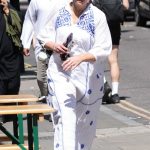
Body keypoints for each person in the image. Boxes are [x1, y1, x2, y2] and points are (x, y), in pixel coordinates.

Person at [38, 0, 112, 149]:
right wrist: (54, 45)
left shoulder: (98, 16)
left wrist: (81, 58)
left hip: (89, 80)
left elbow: (104, 47)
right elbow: (43, 36)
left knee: (85, 128)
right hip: (60, 74)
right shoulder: (59, 12)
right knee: (66, 119)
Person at [21, 0, 69, 102]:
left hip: (61, 46)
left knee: (59, 79)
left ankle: (55, 104)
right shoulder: (36, 1)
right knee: (41, 78)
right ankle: (47, 96)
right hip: (42, 45)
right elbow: (29, 19)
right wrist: (26, 42)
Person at [93, 0, 129, 104]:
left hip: (100, 25)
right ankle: (115, 94)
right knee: (113, 60)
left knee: (96, 59)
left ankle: (104, 84)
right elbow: (126, 6)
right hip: (114, 25)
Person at [0, 0, 23, 122]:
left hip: (11, 56)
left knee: (13, 85)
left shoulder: (10, 9)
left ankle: (10, 116)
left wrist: (8, 11)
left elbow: (19, 27)